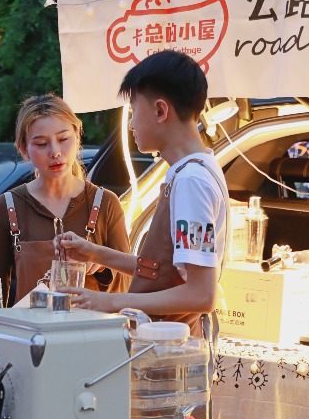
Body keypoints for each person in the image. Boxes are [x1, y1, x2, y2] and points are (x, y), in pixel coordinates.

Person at [55, 50, 229, 334]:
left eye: (135, 112)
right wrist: (94, 253)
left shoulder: (191, 181)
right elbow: (164, 272)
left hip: (170, 350)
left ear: (161, 111)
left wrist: (110, 301)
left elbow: (201, 294)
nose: (132, 124)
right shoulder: (192, 170)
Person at [0, 94, 130, 304]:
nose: (55, 152)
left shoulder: (106, 202)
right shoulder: (7, 207)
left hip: (92, 333)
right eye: (41, 143)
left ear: (78, 137)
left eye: (63, 139)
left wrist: (102, 265)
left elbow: (127, 283)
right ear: (24, 149)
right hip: (31, 333)